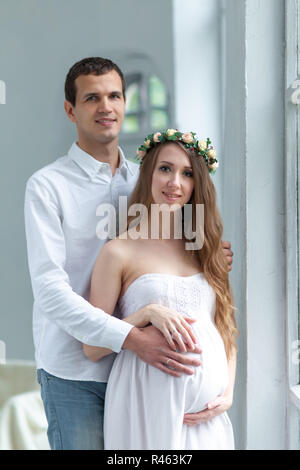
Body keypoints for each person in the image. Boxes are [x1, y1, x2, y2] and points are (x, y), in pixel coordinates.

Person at [24, 57, 233, 450]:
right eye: (92, 98)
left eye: (115, 95)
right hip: (77, 372)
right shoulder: (47, 187)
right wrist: (132, 334)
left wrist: (210, 256)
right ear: (71, 110)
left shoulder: (148, 177)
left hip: (144, 376)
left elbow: (176, 244)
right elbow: (50, 290)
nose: (106, 107)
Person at [83, 129, 238, 450]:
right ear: (148, 172)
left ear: (197, 185)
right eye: (165, 168)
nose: (174, 183)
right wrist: (145, 314)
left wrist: (228, 393)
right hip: (144, 408)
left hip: (206, 421)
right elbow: (92, 347)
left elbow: (225, 326)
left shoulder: (205, 248)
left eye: (187, 173)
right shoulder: (118, 251)